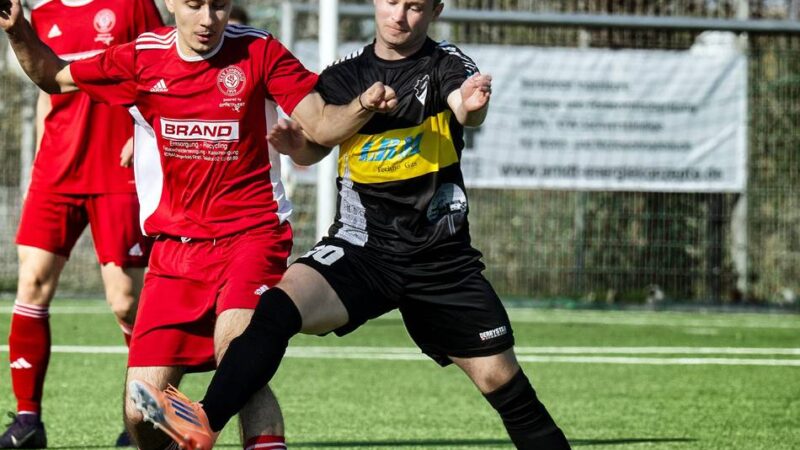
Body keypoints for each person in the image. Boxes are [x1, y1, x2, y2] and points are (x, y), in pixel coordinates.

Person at [128, 0, 572, 449]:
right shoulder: (344, 75)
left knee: (505, 385)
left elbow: (464, 105)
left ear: (435, 10)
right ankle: (204, 421)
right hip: (361, 251)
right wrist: (296, 144)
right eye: (392, 3)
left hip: (439, 261)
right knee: (275, 310)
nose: (399, 16)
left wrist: (472, 106)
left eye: (415, 7)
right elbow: (315, 148)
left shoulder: (445, 63)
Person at [0, 0, 396, 449]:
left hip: (251, 236)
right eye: (194, 5)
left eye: (220, 5)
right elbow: (53, 75)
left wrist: (359, 107)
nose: (208, 19)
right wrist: (18, 32)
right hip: (175, 250)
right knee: (140, 412)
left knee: (240, 353)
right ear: (170, 2)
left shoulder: (260, 51)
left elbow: (320, 128)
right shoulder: (141, 57)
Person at [1, 0, 162, 448]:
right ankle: (28, 422)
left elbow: (157, 66)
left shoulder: (132, 5)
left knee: (126, 302)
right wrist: (38, 164)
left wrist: (144, 136)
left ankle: (146, 417)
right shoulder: (43, 13)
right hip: (56, 170)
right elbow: (43, 86)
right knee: (32, 283)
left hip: (116, 168)